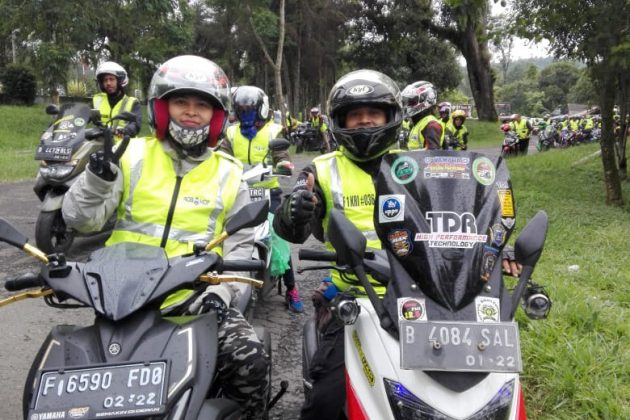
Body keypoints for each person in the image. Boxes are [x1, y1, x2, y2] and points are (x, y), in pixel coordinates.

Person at [274, 69, 522, 420]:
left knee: (481, 384)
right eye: (354, 115)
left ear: (391, 117)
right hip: (356, 296)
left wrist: (493, 247)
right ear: (339, 122)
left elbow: (460, 213)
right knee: (326, 397)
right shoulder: (321, 169)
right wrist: (295, 210)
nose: (364, 122)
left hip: (426, 292)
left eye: (373, 113)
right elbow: (293, 229)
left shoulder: (420, 165)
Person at [63, 55, 269, 419]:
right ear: (161, 107)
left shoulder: (231, 174)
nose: (191, 112)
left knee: (250, 360)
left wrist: (222, 294)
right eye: (180, 102)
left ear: (216, 116)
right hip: (122, 299)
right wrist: (96, 180)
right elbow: (81, 221)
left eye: (202, 105)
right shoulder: (131, 155)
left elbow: (241, 248)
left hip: (195, 298)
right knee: (70, 383)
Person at [219, 85, 303, 312]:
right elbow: (222, 156)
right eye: (242, 110)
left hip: (268, 192)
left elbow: (281, 155)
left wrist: (283, 164)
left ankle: (291, 288)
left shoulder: (273, 131)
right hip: (238, 192)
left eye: (250, 110)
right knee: (224, 233)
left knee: (279, 236)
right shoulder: (231, 133)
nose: (246, 114)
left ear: (261, 109)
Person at [92, 61, 142, 138]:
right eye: (105, 80)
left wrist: (125, 130)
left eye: (111, 79)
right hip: (101, 142)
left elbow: (135, 124)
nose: (108, 83)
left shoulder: (132, 103)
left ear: (119, 81)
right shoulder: (97, 100)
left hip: (124, 143)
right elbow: (83, 114)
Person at [402, 81, 444, 150]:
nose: (408, 105)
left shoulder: (431, 125)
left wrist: (403, 154)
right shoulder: (420, 123)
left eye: (412, 102)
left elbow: (432, 153)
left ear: (426, 100)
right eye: (408, 102)